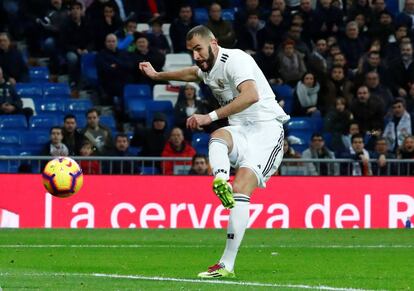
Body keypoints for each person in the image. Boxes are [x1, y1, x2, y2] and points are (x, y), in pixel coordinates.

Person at [139, 25, 289, 278]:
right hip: (240, 128)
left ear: (214, 43)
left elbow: (251, 95)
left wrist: (209, 116)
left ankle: (226, 264)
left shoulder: (236, 59)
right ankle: (221, 179)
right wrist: (157, 76)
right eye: (191, 51)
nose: (196, 55)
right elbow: (191, 73)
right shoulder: (208, 68)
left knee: (242, 187)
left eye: (199, 49)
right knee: (218, 137)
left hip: (266, 131)